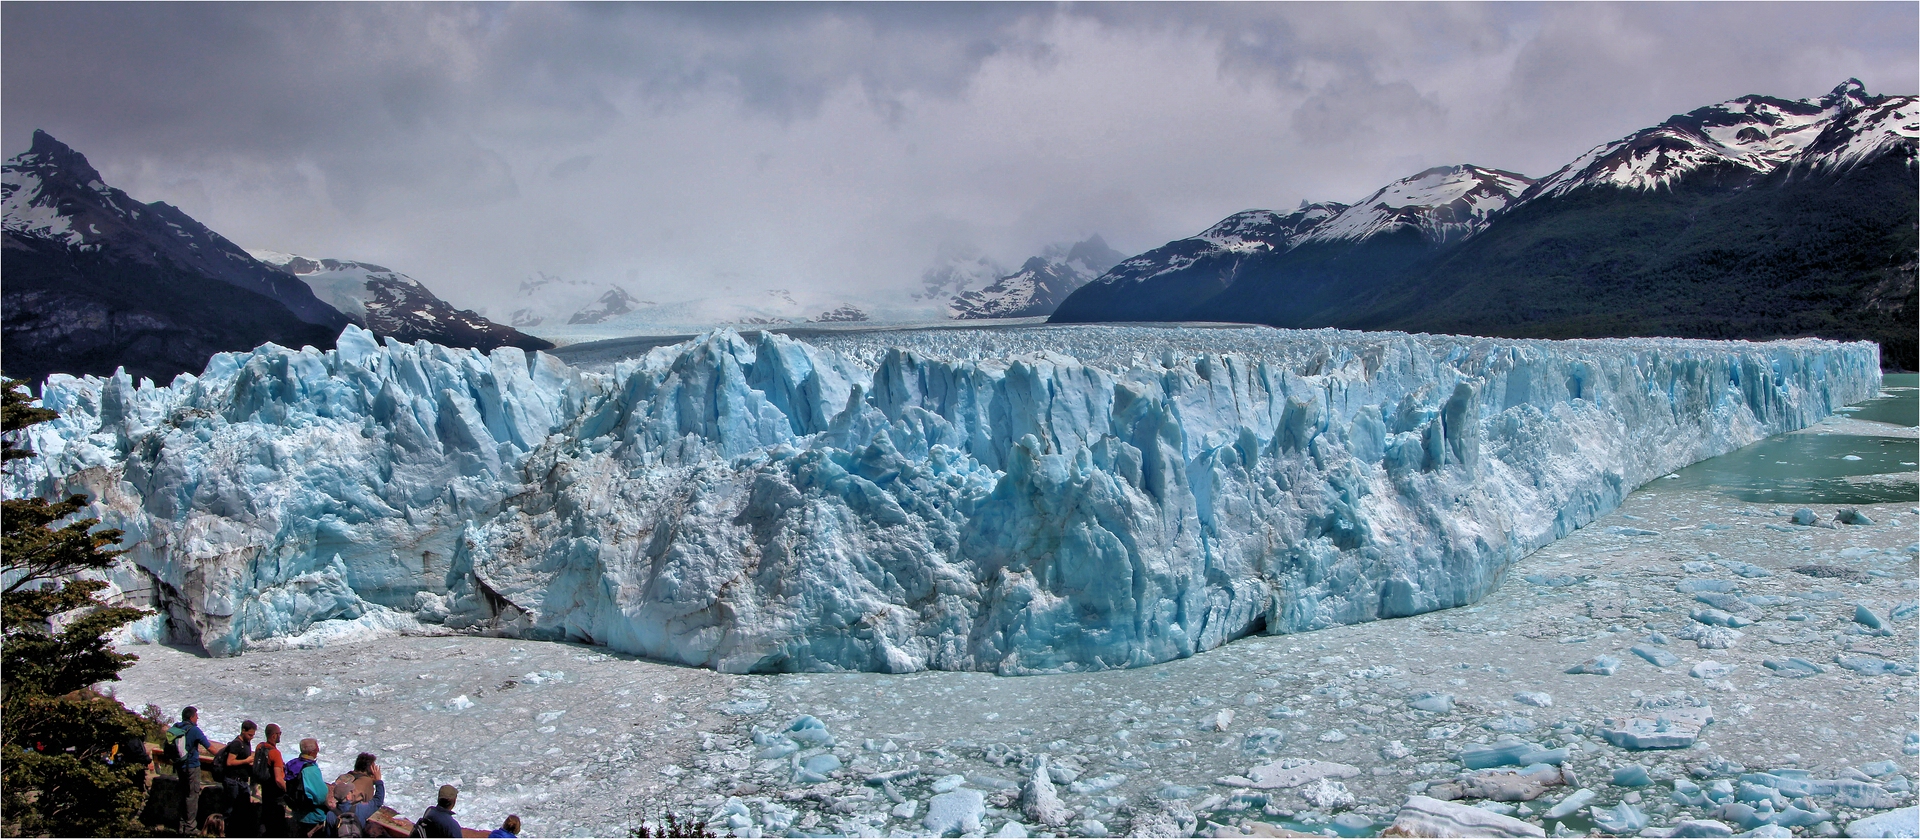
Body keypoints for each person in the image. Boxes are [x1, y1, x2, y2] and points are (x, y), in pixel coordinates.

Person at [166, 706, 215, 836]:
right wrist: (224, 755)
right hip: (192, 767)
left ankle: (181, 825)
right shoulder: (194, 730)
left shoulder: (177, 727)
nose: (197, 718)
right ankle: (190, 828)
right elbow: (210, 748)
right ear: (192, 717)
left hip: (180, 766)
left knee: (184, 795)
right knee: (192, 796)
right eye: (196, 715)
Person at [284, 738, 334, 837]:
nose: (318, 751)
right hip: (312, 816)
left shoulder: (292, 764)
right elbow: (321, 796)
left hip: (297, 812)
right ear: (312, 752)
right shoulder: (310, 769)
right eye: (317, 749)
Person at [330, 752, 385, 835]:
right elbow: (375, 802)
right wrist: (378, 781)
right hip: (354, 821)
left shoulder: (344, 777)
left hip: (336, 812)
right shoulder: (367, 782)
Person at [222, 720, 258, 834]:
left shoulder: (246, 743)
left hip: (242, 781)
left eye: (253, 735)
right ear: (243, 730)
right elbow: (229, 762)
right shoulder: (237, 744)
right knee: (230, 810)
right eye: (250, 734)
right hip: (233, 781)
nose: (251, 737)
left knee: (242, 810)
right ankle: (226, 832)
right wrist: (246, 761)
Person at [255, 724, 289, 837]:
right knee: (276, 823)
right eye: (279, 734)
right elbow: (278, 779)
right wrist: (287, 790)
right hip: (275, 793)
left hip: (265, 787)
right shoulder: (275, 753)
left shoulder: (260, 746)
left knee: (265, 817)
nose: (280, 736)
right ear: (274, 736)